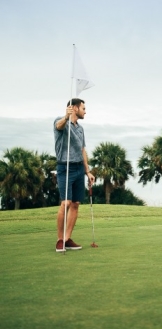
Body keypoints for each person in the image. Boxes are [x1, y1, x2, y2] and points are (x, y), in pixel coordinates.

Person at [54, 98, 95, 252]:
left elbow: (82, 150)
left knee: (76, 204)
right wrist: (66, 117)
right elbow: (59, 126)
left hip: (79, 169)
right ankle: (59, 240)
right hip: (65, 168)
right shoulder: (60, 122)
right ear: (75, 108)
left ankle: (67, 238)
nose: (85, 111)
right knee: (66, 203)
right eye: (83, 108)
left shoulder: (80, 129)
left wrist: (87, 171)